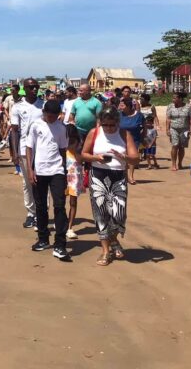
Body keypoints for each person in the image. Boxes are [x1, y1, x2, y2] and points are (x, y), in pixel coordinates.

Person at [81, 106, 139, 266]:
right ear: (100, 122)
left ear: (117, 122)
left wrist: (124, 157)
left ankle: (114, 240)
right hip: (98, 176)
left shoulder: (124, 134)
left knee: (119, 215)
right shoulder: (94, 133)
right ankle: (106, 251)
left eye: (112, 125)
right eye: (105, 124)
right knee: (101, 214)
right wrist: (95, 157)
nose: (108, 128)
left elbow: (136, 159)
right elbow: (83, 154)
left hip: (118, 177)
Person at [26, 100, 71, 261]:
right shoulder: (36, 125)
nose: (51, 118)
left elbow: (63, 150)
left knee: (59, 206)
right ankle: (43, 238)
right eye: (49, 116)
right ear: (44, 113)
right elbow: (29, 148)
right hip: (39, 171)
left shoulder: (61, 128)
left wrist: (65, 172)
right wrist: (30, 170)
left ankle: (60, 244)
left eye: (54, 116)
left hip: (57, 170)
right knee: (41, 206)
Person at [10, 78, 44, 229]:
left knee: (43, 182)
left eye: (36, 86)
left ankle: (42, 213)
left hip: (42, 149)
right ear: (25, 88)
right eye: (31, 87)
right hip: (24, 149)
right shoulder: (17, 107)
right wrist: (15, 152)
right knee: (28, 182)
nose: (34, 89)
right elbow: (14, 131)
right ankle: (31, 213)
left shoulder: (43, 105)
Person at [64, 125, 86, 239]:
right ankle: (63, 224)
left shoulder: (78, 147)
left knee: (73, 203)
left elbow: (80, 160)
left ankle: (70, 227)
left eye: (72, 139)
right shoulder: (62, 148)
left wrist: (76, 148)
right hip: (63, 177)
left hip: (74, 178)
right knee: (60, 202)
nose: (69, 142)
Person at [118, 97, 145, 185]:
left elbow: (144, 128)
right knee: (124, 158)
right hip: (121, 139)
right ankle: (124, 176)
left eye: (122, 105)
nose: (120, 107)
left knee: (131, 158)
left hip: (135, 139)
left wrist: (143, 138)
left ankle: (131, 176)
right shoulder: (119, 115)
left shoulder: (139, 115)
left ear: (129, 106)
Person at [166, 91, 191, 171]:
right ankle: (174, 164)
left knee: (181, 147)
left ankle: (180, 163)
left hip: (185, 129)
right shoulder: (170, 106)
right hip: (173, 129)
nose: (173, 99)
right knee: (175, 145)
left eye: (175, 98)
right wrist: (167, 129)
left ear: (180, 99)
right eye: (173, 98)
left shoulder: (189, 107)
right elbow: (168, 119)